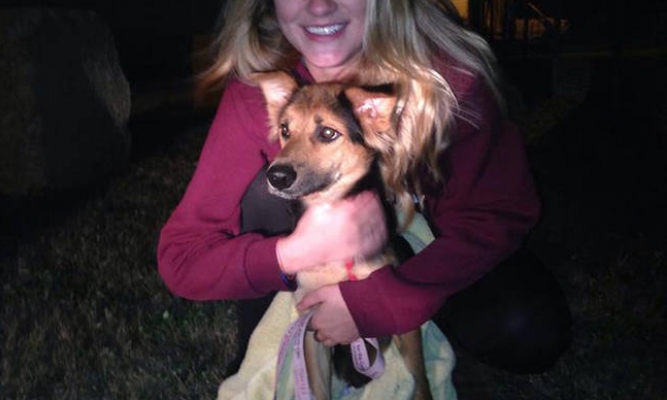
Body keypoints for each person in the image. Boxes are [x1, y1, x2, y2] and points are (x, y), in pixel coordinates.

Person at [157, 0, 571, 378]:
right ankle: (274, 355)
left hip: (427, 266)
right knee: (266, 194)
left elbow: (497, 215)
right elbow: (182, 257)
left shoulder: (447, 78)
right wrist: (291, 253)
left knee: (526, 326)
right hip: (308, 279)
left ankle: (423, 351)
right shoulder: (263, 90)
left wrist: (380, 302)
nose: (320, 6)